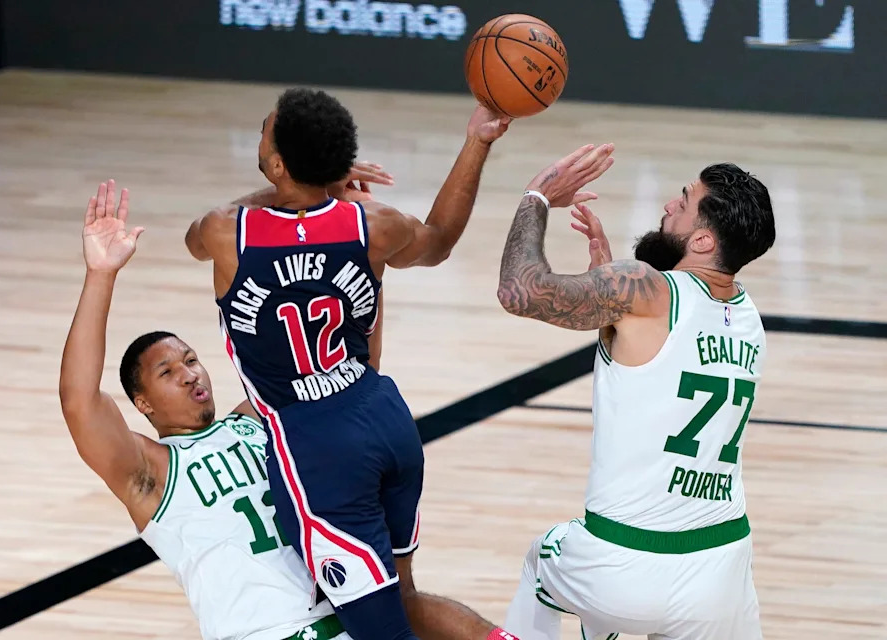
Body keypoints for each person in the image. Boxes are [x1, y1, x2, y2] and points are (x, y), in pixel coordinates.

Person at [185, 88, 514, 640]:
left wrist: (306, 185)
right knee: (402, 597)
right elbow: (441, 241)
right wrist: (476, 141)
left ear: (278, 164)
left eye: (266, 131)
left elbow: (197, 236)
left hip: (315, 450)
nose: (261, 134)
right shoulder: (372, 224)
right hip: (384, 417)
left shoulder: (227, 233)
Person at [496, 145, 776, 640]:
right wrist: (605, 282)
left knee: (542, 561)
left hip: (621, 565)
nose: (670, 204)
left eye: (684, 201)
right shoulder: (749, 319)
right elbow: (657, 350)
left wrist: (536, 195)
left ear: (704, 239)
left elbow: (521, 290)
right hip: (722, 573)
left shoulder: (643, 289)